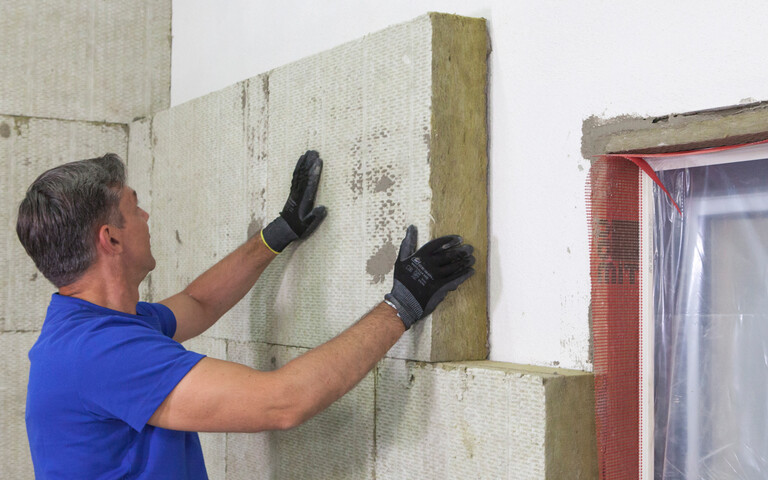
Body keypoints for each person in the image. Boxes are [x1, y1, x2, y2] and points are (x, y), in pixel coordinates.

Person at [17, 151, 475, 479]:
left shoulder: (96, 324)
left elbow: (199, 303)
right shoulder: (99, 352)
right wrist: (403, 304)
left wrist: (279, 232)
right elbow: (281, 402)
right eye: (134, 207)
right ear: (111, 240)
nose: (147, 214)